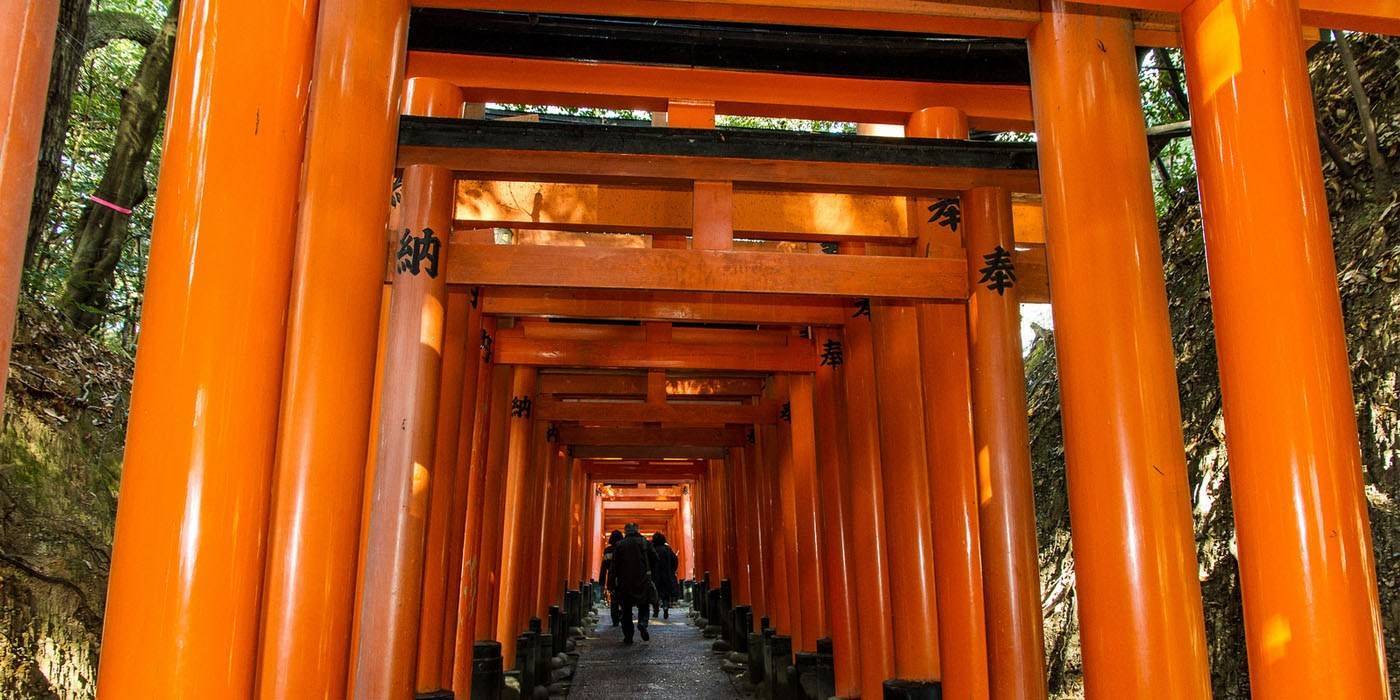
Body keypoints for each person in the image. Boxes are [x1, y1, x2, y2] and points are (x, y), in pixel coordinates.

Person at [610, 522, 659, 644]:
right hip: (642, 579)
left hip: (624, 581)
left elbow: (614, 566)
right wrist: (649, 570)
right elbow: (655, 558)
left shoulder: (619, 545)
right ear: (637, 530)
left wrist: (611, 583)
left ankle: (628, 636)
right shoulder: (644, 542)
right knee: (644, 604)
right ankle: (642, 623)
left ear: (625, 531)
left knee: (626, 609)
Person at [651, 532, 679, 619]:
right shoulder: (667, 549)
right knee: (665, 593)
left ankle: (656, 610)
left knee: (655, 593)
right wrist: (672, 570)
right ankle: (666, 606)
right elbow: (675, 560)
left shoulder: (652, 549)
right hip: (666, 574)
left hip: (655, 575)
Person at [600, 530, 623, 626]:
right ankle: (622, 614)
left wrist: (601, 581)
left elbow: (604, 566)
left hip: (612, 577)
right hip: (623, 577)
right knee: (623, 598)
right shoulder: (623, 549)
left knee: (614, 599)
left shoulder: (607, 550)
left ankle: (615, 620)